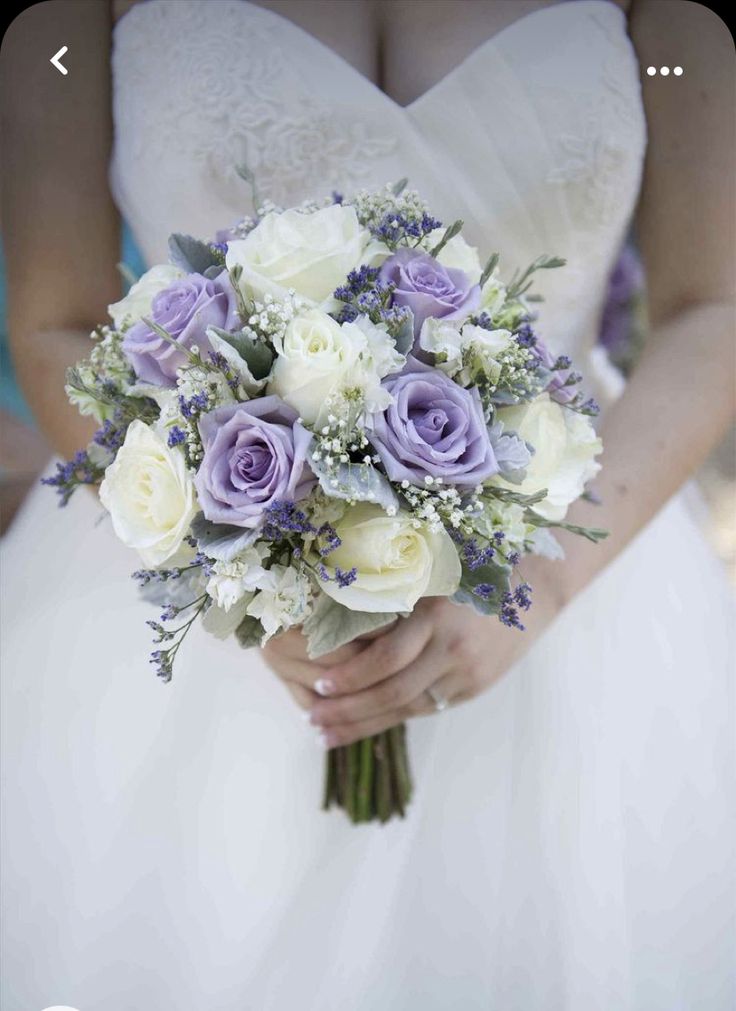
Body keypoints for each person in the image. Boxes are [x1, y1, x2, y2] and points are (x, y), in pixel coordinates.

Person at [1, 2, 733, 1008]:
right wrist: (228, 568)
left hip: (579, 580)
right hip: (177, 598)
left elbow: (713, 306)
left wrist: (542, 583)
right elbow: (58, 318)